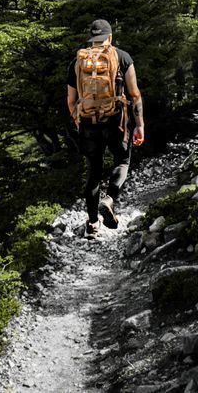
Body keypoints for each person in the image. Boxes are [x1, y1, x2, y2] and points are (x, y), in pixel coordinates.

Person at [67, 19, 145, 239]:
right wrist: (139, 125)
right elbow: (135, 94)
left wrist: (79, 120)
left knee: (93, 170)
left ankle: (92, 224)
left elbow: (71, 100)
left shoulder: (77, 62)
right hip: (117, 120)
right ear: (109, 37)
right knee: (122, 161)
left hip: (88, 122)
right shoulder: (122, 57)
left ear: (91, 39)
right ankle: (109, 200)